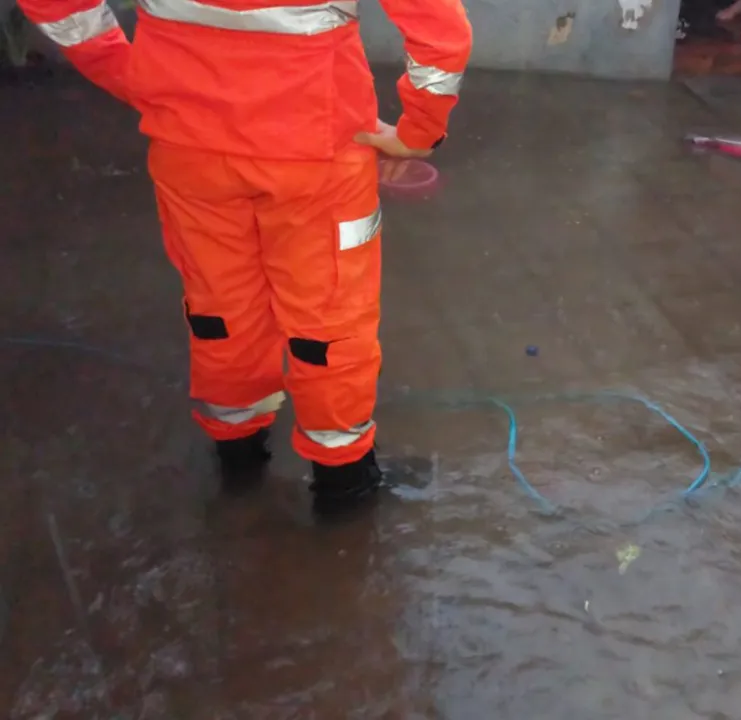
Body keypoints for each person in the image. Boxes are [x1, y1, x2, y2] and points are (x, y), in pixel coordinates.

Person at [18, 0, 472, 513]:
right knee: (328, 319)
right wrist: (418, 133)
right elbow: (441, 29)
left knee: (221, 308)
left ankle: (237, 458)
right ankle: (343, 480)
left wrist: (139, 80)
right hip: (315, 153)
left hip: (188, 147)